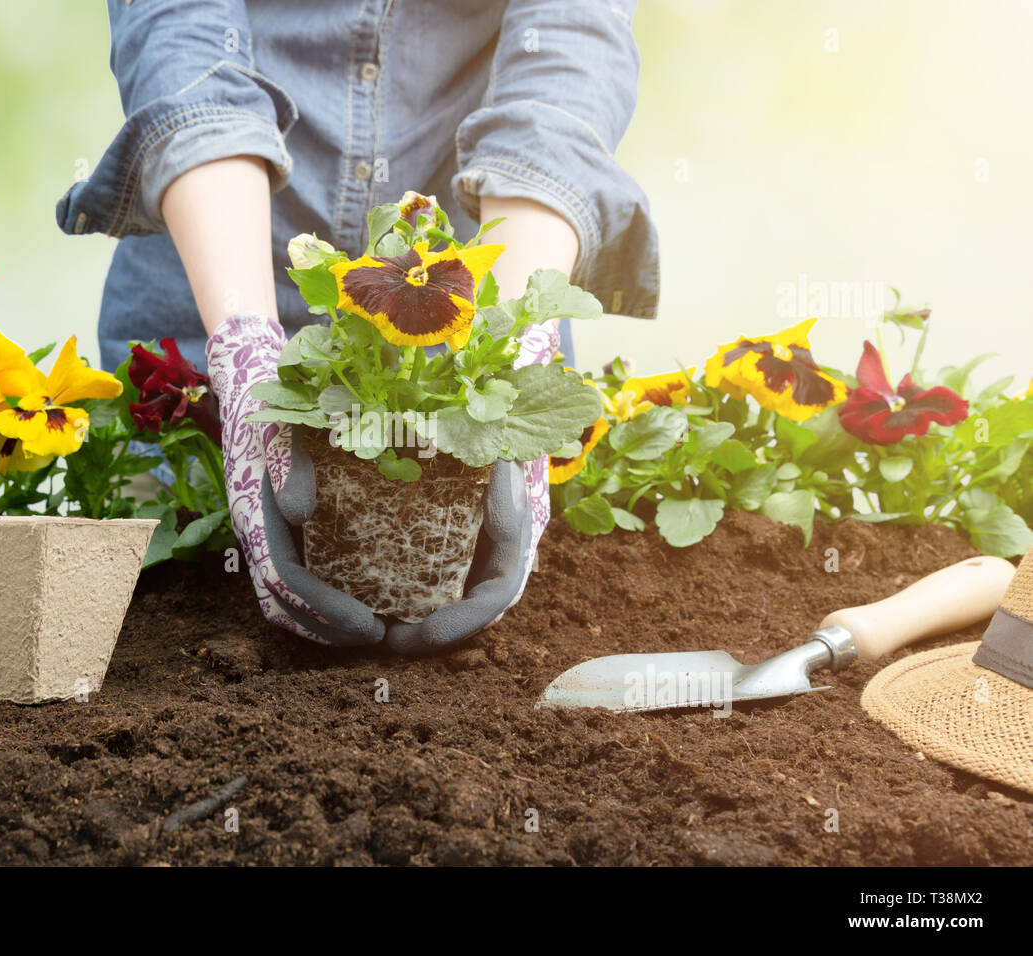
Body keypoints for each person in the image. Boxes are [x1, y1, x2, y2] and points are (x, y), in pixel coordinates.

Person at [57, 0, 659, 653]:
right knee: (160, 629)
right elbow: (181, 35)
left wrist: (511, 353)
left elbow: (569, 42)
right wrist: (245, 355)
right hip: (203, 320)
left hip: (454, 328)